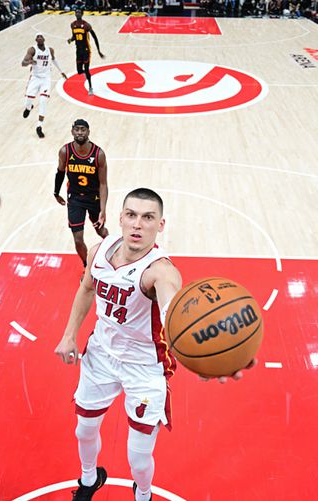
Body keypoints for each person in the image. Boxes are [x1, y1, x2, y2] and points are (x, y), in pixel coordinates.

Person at [54, 188, 254, 501]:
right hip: (101, 356)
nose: (138, 224)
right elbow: (87, 289)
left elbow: (175, 313)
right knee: (84, 430)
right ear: (120, 218)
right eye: (131, 215)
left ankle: (143, 494)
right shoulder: (98, 251)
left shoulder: (160, 272)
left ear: (160, 225)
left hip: (144, 367)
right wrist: (69, 335)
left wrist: (212, 354)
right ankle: (89, 479)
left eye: (148, 218)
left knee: (138, 457)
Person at [54, 119, 109, 270]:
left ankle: (115, 251)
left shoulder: (98, 154)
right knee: (78, 239)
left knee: (101, 231)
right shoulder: (65, 151)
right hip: (75, 199)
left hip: (93, 198)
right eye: (77, 129)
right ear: (72, 131)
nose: (79, 132)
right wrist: (56, 193)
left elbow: (103, 184)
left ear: (88, 132)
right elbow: (60, 172)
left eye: (83, 129)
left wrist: (103, 210)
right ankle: (87, 265)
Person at [21, 33, 67, 138]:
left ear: (44, 39)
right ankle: (28, 107)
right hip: (35, 78)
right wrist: (29, 62)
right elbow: (23, 63)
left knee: (43, 101)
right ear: (35, 40)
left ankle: (39, 126)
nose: (39, 38)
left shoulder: (50, 50)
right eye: (38, 37)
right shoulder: (32, 50)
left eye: (41, 36)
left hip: (46, 79)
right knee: (29, 99)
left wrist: (61, 71)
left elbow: (54, 60)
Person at [67, 8, 104, 96]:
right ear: (75, 14)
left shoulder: (86, 25)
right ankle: (85, 74)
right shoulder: (72, 24)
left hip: (86, 50)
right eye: (76, 12)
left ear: (82, 14)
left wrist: (98, 50)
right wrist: (71, 40)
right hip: (78, 50)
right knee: (79, 71)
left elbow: (95, 37)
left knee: (87, 69)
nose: (78, 13)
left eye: (79, 12)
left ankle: (90, 88)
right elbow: (75, 36)